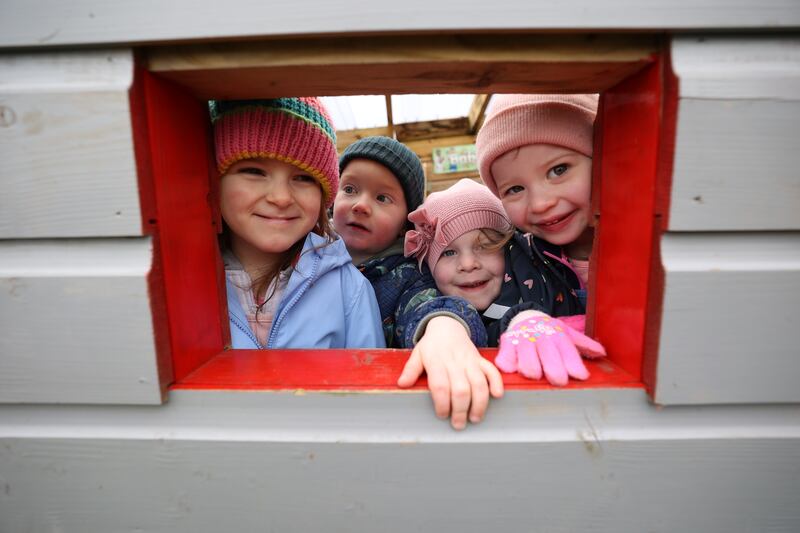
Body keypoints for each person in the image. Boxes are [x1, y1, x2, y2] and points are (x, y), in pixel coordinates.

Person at [333, 137, 502, 430]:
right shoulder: (306, 254)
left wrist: (443, 327)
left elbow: (424, 302)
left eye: (382, 198)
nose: (360, 205)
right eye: (349, 189)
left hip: (379, 408)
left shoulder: (403, 275)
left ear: (405, 223)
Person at [210, 98, 384, 349]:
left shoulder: (348, 287)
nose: (280, 198)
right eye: (254, 171)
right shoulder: (180, 280)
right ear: (216, 180)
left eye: (303, 177)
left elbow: (370, 378)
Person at [405, 178, 605, 386]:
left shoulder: (542, 283)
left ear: (508, 250)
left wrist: (525, 317)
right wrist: (441, 324)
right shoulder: (425, 293)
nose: (467, 264)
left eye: (484, 246)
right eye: (448, 252)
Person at [475, 94, 606, 384]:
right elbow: (490, 319)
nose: (540, 204)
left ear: (601, 160)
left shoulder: (646, 241)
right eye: (515, 189)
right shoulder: (520, 257)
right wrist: (521, 320)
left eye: (558, 170)